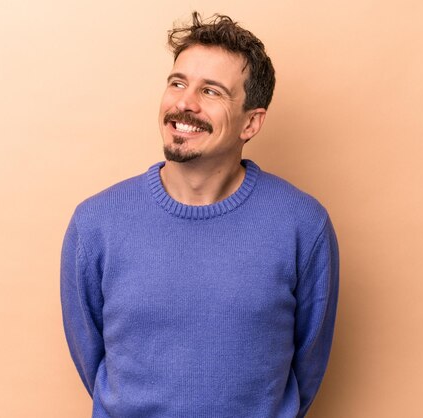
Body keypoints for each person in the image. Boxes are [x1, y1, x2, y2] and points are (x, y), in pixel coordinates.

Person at [61, 12, 339, 418]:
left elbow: (307, 366)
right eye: (177, 83)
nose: (184, 103)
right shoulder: (95, 224)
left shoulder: (302, 224)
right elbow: (93, 360)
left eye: (211, 91)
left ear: (251, 122)